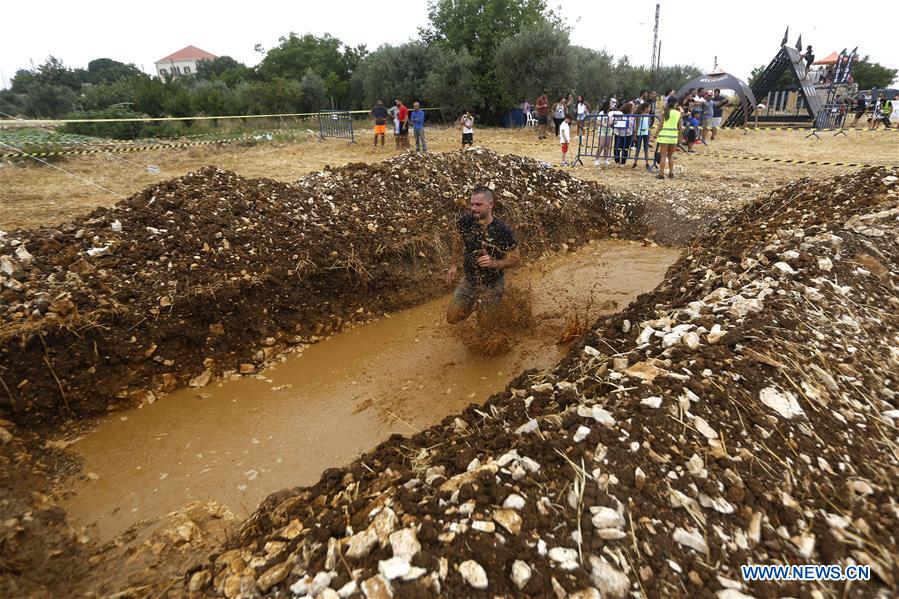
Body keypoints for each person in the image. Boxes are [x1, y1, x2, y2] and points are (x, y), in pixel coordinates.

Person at [446, 186, 521, 324]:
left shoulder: (502, 230)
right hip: (469, 281)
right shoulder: (465, 222)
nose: (474, 208)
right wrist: (453, 265)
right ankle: (475, 304)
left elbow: (515, 259)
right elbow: (457, 241)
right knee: (452, 318)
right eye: (472, 204)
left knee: (486, 326)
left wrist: (493, 263)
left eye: (479, 204)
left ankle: (492, 308)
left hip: (493, 285)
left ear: (491, 204)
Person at [656, 96, 683, 179]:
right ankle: (671, 173)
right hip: (673, 137)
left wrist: (655, 134)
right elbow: (680, 127)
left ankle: (661, 174)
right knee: (670, 156)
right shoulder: (678, 113)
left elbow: (660, 126)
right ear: (676, 104)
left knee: (663, 156)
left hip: (664, 136)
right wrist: (680, 137)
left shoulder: (664, 113)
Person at [592, 99, 614, 167]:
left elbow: (611, 121)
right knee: (601, 145)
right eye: (610, 104)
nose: (611, 105)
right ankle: (596, 159)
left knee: (607, 145)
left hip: (609, 130)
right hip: (602, 130)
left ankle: (605, 159)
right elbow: (597, 121)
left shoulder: (611, 113)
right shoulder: (601, 113)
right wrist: (603, 124)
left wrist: (610, 123)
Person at [632, 103, 652, 170]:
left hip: (646, 133)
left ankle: (647, 163)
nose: (650, 109)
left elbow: (649, 125)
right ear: (645, 108)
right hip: (639, 133)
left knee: (646, 149)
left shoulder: (649, 115)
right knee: (638, 148)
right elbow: (637, 125)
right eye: (649, 107)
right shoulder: (639, 115)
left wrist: (650, 134)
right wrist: (635, 134)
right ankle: (635, 163)